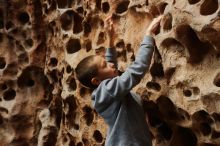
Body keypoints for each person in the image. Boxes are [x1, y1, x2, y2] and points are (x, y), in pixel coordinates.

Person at [75, 15, 163, 146]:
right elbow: (135, 72)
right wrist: (148, 35)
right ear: (96, 81)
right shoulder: (106, 91)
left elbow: (110, 68)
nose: (111, 65)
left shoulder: (106, 90)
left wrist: (110, 38)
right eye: (105, 65)